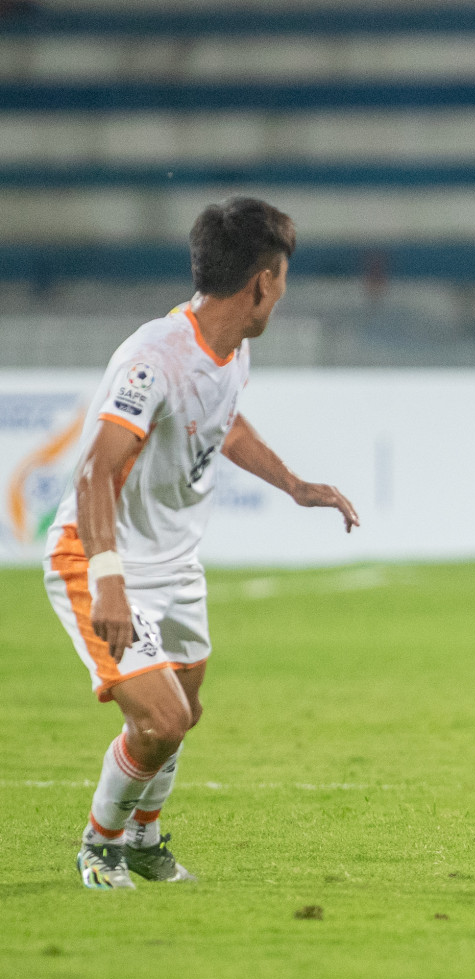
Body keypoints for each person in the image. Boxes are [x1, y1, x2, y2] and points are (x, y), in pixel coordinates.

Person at [45, 197, 360, 890]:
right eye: (283, 277)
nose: (282, 290)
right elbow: (96, 468)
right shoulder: (153, 359)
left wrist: (294, 484)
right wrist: (108, 579)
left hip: (175, 564)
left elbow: (227, 422)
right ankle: (98, 847)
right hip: (101, 556)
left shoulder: (231, 349)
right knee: (160, 720)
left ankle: (146, 840)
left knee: (185, 714)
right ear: (263, 282)